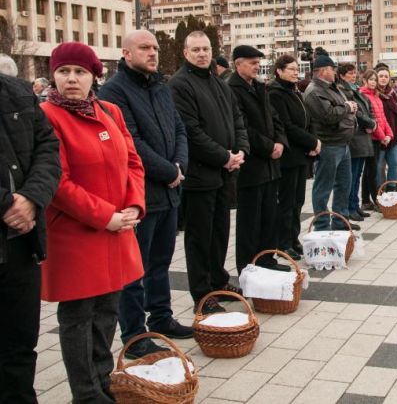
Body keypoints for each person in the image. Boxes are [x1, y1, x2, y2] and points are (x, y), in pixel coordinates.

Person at [40, 42, 145, 403]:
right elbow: (58, 182)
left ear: (94, 76)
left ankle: (102, 381)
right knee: (78, 316)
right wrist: (105, 216)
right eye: (63, 71)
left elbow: (133, 162)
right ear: (53, 75)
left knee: (107, 311)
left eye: (80, 72)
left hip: (117, 229)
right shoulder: (47, 115)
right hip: (76, 234)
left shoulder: (110, 111)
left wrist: (134, 205)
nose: (71, 79)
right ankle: (85, 394)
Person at [98, 30, 192, 359]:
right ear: (126, 53)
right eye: (144, 48)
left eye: (155, 47)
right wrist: (169, 172)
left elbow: (178, 128)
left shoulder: (160, 87)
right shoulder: (113, 91)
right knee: (133, 269)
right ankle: (135, 335)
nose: (153, 53)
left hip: (168, 192)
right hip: (139, 195)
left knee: (161, 262)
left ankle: (162, 318)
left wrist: (179, 165)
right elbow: (131, 142)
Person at [168, 31, 249, 314]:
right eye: (196, 50)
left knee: (219, 234)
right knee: (199, 239)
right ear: (185, 53)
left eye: (206, 49)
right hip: (199, 175)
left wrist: (241, 150)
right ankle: (202, 296)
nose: (202, 54)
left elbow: (237, 120)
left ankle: (218, 281)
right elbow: (190, 131)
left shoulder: (218, 82)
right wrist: (223, 157)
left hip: (224, 174)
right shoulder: (179, 84)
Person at [0, 72, 60, 404]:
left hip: (21, 244)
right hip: (13, 220)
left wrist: (32, 198)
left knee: (20, 346)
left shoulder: (18, 92)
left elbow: (48, 148)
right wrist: (6, 203)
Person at [228, 45, 290, 271]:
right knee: (250, 222)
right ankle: (248, 267)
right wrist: (268, 147)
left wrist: (280, 142)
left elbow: (275, 118)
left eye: (258, 63)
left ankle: (267, 260)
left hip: (270, 166)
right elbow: (242, 127)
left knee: (269, 217)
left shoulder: (260, 87)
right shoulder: (232, 89)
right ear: (238, 64)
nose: (257, 67)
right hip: (252, 166)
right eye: (252, 63)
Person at [268, 55, 319, 259]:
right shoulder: (275, 94)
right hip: (288, 155)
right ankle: (283, 242)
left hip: (301, 154)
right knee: (287, 201)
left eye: (297, 69)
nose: (296, 72)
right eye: (291, 69)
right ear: (279, 71)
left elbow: (308, 119)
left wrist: (313, 141)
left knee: (298, 200)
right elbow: (286, 126)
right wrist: (311, 142)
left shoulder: (295, 92)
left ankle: (293, 238)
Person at [304, 54, 359, 230]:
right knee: (323, 188)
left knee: (344, 185)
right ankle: (322, 225)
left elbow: (340, 108)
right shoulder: (315, 91)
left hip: (342, 143)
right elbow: (328, 116)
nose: (335, 72)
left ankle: (340, 221)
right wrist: (347, 107)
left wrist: (348, 107)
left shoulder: (331, 87)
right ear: (323, 71)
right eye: (332, 69)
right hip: (328, 144)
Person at [336, 63, 376, 222]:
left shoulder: (356, 89)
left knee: (357, 174)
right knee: (351, 176)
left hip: (363, 135)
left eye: (355, 73)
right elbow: (356, 112)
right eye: (350, 73)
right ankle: (350, 208)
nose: (354, 76)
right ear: (342, 75)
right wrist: (369, 123)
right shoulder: (343, 91)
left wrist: (372, 122)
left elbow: (367, 107)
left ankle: (355, 205)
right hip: (355, 136)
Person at [359, 69, 392, 207]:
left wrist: (389, 134)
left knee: (370, 171)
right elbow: (371, 120)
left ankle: (366, 201)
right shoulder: (363, 95)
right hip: (370, 138)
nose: (373, 82)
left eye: (375, 80)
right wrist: (382, 136)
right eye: (371, 79)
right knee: (371, 171)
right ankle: (376, 200)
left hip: (379, 138)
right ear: (364, 80)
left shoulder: (376, 96)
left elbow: (382, 118)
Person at [375, 66, 397, 188]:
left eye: (386, 76)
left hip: (393, 135)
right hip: (379, 136)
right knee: (379, 167)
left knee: (395, 163)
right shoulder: (374, 93)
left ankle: (391, 189)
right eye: (381, 76)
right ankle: (380, 191)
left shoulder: (392, 93)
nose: (383, 78)